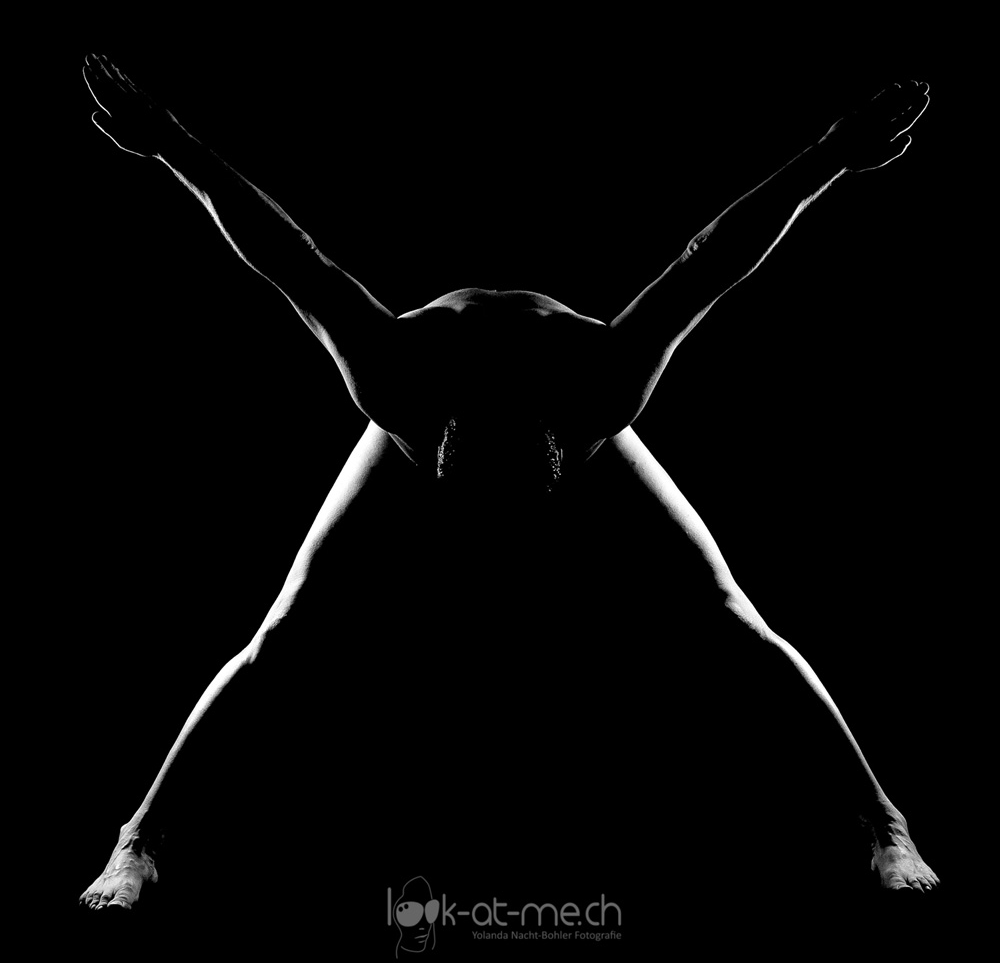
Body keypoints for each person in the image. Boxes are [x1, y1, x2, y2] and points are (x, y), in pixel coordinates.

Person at [78, 54, 937, 916]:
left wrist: (835, 154)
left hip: (533, 415)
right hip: (423, 420)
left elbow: (711, 259)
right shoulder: (401, 377)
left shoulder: (598, 382)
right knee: (281, 634)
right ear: (437, 450)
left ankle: (884, 825)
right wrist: (166, 142)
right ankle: (139, 838)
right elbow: (289, 255)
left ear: (565, 450)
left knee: (730, 616)